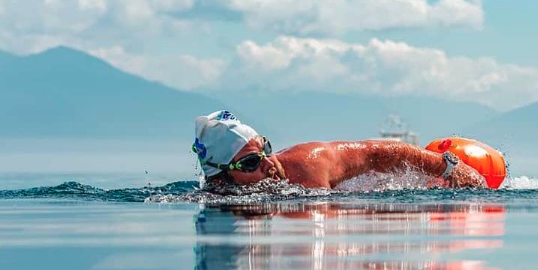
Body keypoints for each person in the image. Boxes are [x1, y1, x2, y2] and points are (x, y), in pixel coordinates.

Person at [193, 110, 486, 189]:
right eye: (249, 164)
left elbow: (378, 152)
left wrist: (448, 167)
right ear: (220, 179)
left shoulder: (309, 164)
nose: (268, 164)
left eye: (265, 149)